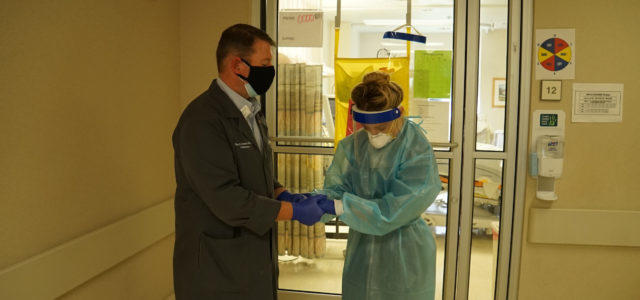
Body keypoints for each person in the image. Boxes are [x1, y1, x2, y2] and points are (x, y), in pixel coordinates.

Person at [172, 24, 323, 300]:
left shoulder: (251, 111)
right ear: (237, 65)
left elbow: (255, 172)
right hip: (215, 268)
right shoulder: (202, 121)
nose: (270, 71)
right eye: (264, 64)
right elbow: (227, 199)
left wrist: (283, 193)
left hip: (251, 261)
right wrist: (292, 211)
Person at [314, 71, 442, 300]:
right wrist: (317, 201)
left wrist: (342, 207)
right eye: (366, 127)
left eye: (381, 128)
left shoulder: (415, 147)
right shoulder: (354, 145)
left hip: (405, 251)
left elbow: (396, 210)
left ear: (399, 114)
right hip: (362, 250)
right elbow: (338, 188)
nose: (372, 135)